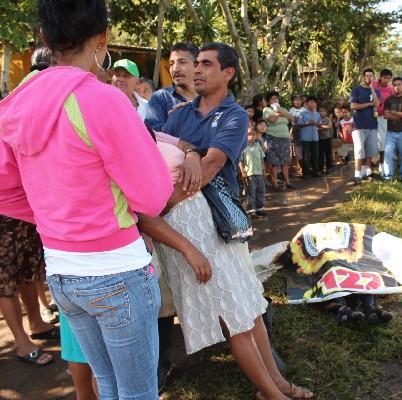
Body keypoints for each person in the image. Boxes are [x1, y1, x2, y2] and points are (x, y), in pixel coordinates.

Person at [0, 1, 173, 398]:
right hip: (118, 271)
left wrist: (52, 215)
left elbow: (5, 186)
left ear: (44, 39)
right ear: (103, 39)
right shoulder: (104, 99)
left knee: (108, 383)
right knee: (137, 392)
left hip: (62, 272)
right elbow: (153, 196)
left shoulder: (16, 103)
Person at [142, 42, 313, 400]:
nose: (197, 70)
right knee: (235, 317)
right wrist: (187, 153)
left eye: (206, 64)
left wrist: (162, 203)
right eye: (196, 64)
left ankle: (277, 386)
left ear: (228, 73)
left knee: (249, 308)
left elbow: (210, 166)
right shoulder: (179, 113)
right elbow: (160, 145)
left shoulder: (233, 116)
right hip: (187, 230)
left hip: (218, 221)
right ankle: (273, 393)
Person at [0, 216, 57, 366]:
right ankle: (22, 344)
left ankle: (37, 324)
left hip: (20, 217)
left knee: (28, 269)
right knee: (5, 281)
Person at [145, 42, 199, 131]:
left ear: (197, 65)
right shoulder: (160, 98)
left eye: (182, 62)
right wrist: (172, 122)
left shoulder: (211, 98)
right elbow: (152, 137)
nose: (175, 69)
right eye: (171, 64)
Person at [350, 68, 380, 185]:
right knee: (359, 151)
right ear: (363, 77)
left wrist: (372, 88)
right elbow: (353, 105)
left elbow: (377, 104)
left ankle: (368, 172)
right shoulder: (357, 90)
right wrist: (368, 104)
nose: (369, 77)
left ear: (373, 77)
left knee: (370, 152)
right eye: (367, 76)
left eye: (371, 76)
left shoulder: (376, 91)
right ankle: (357, 175)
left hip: (372, 125)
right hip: (358, 126)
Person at [263, 91, 296, 190]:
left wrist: (281, 111)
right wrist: (279, 112)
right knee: (274, 162)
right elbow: (271, 119)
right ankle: (275, 184)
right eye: (272, 99)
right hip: (273, 138)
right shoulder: (267, 109)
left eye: (276, 98)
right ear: (268, 101)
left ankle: (288, 182)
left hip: (285, 138)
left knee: (285, 161)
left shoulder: (283, 108)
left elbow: (291, 118)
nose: (275, 100)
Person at [382, 76, 402, 181]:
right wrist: (401, 114)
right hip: (391, 132)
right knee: (388, 155)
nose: (397, 87)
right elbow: (385, 115)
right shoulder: (389, 100)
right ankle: (388, 177)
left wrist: (392, 112)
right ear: (392, 87)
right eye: (394, 85)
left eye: (399, 84)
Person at [240, 129, 267, 217]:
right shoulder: (243, 147)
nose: (251, 137)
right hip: (249, 173)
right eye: (249, 135)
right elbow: (240, 160)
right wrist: (243, 171)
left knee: (261, 190)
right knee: (251, 192)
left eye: (253, 135)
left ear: (256, 136)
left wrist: (263, 169)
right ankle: (251, 210)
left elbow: (261, 158)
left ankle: (260, 208)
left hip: (259, 172)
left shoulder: (258, 146)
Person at [372, 68, 394, 174]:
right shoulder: (373, 85)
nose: (386, 80)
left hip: (383, 118)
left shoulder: (391, 90)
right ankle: (367, 168)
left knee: (382, 142)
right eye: (385, 78)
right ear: (380, 77)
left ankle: (382, 166)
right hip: (369, 117)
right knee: (370, 141)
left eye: (389, 78)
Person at [296, 96, 321, 178]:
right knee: (306, 156)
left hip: (315, 137)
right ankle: (306, 173)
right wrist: (308, 123)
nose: (312, 103)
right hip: (305, 137)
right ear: (307, 103)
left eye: (314, 102)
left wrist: (315, 123)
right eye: (310, 102)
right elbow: (299, 125)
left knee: (315, 155)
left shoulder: (317, 114)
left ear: (316, 104)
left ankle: (315, 171)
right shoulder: (302, 113)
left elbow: (320, 125)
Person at [317, 106, 334, 174]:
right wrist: (324, 127)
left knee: (328, 154)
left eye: (323, 111)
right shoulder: (317, 119)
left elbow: (329, 127)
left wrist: (320, 127)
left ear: (326, 112)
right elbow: (316, 128)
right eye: (320, 111)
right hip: (320, 139)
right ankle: (320, 169)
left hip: (327, 138)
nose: (321, 112)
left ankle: (329, 168)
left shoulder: (328, 119)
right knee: (320, 154)